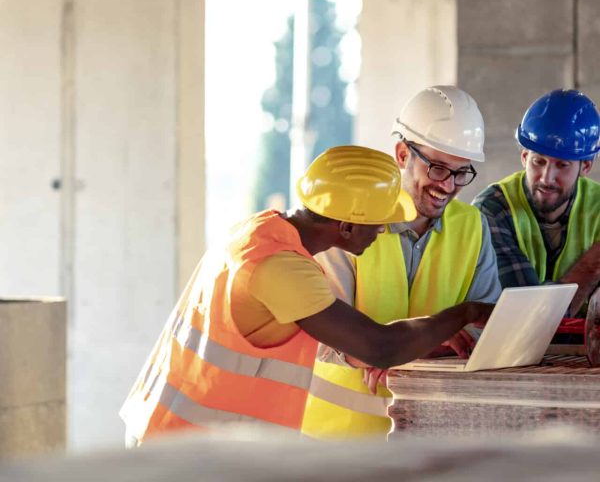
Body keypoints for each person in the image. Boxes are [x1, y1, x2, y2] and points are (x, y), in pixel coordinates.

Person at [119, 145, 493, 445]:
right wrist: (466, 312)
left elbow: (359, 343)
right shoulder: (281, 269)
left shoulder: (262, 230)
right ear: (346, 225)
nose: (383, 231)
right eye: (379, 221)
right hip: (185, 448)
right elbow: (378, 347)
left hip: (185, 438)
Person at [301, 87, 501, 440]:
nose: (448, 185)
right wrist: (434, 336)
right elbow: (327, 339)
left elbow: (485, 329)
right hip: (340, 439)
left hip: (431, 435)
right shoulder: (347, 219)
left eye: (461, 173)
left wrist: (409, 347)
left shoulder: (472, 226)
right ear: (402, 154)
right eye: (438, 168)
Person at [474, 89, 600, 317]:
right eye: (538, 161)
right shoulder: (491, 209)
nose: (546, 178)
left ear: (586, 167)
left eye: (562, 165)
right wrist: (592, 265)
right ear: (524, 157)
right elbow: (526, 315)